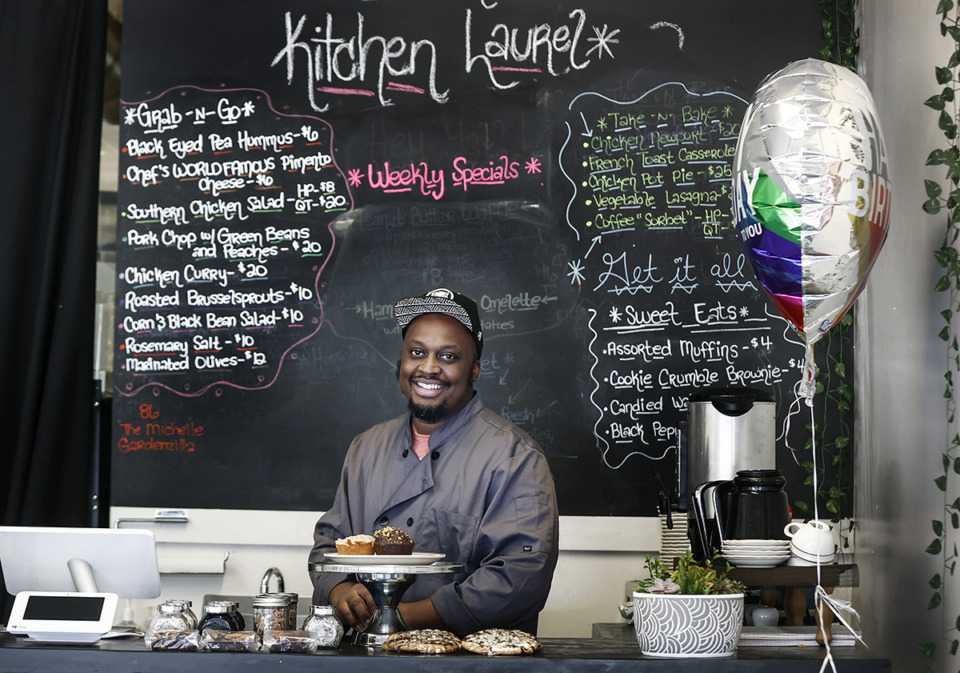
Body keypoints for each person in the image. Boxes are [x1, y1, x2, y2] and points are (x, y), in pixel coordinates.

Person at [309, 287, 559, 636]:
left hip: (468, 662)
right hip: (367, 658)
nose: (428, 368)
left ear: (475, 369)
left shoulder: (514, 457)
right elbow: (330, 544)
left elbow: (520, 575)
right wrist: (340, 591)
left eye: (448, 357)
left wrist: (403, 618)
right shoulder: (366, 447)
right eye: (416, 352)